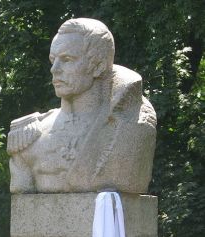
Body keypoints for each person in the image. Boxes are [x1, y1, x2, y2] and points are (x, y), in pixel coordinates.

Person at [8, 18, 156, 195]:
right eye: (53, 60)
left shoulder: (131, 122)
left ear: (98, 66)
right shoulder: (29, 135)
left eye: (67, 59)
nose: (54, 69)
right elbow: (23, 205)